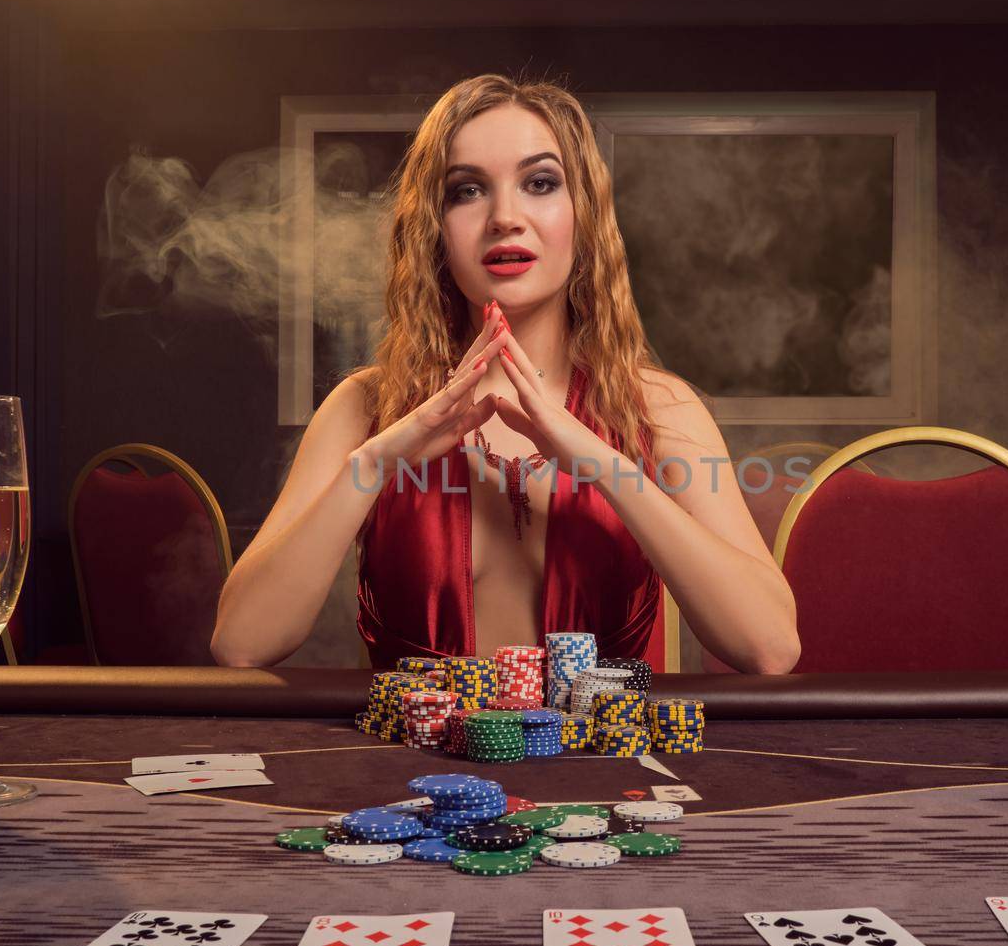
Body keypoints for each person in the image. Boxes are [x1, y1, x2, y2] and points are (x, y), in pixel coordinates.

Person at [211, 74, 800, 674]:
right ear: (433, 230)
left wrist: (601, 462)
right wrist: (375, 465)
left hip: (602, 767)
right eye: (466, 191)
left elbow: (770, 648)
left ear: (585, 216)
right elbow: (241, 645)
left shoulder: (657, 407)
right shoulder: (367, 407)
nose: (504, 217)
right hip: (407, 768)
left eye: (540, 183)